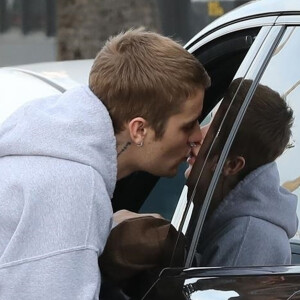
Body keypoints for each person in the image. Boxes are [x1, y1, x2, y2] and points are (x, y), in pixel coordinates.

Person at [0, 29, 210, 299]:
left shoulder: (47, 153)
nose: (196, 136)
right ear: (139, 130)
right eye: (187, 125)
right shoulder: (73, 187)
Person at [188, 79, 298, 267]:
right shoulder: (231, 222)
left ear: (232, 165)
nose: (197, 135)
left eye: (214, 129)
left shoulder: (248, 240)